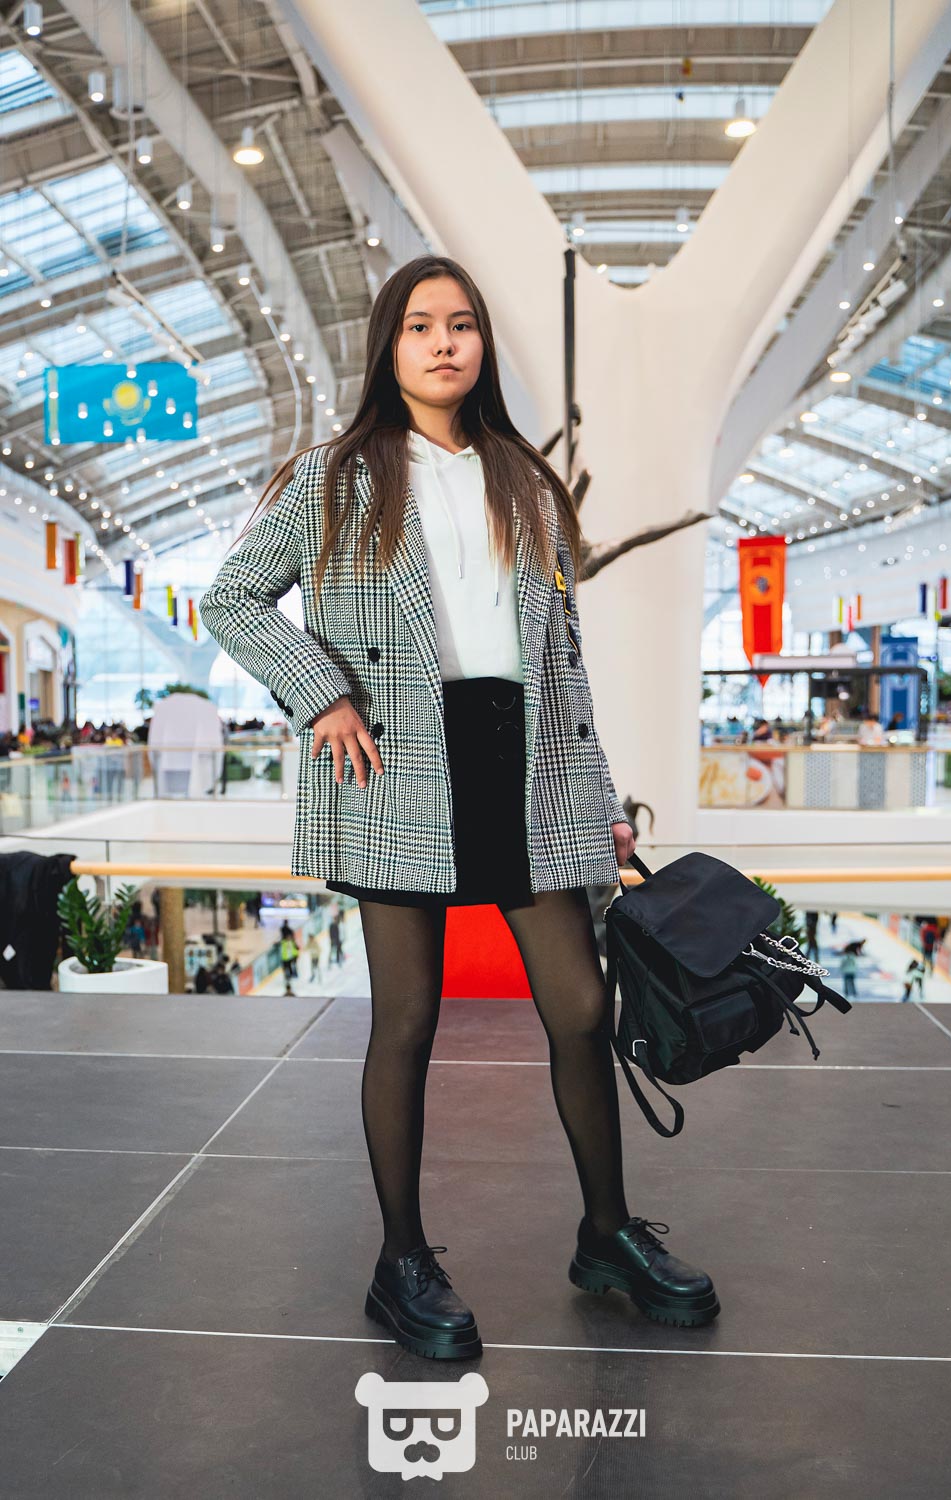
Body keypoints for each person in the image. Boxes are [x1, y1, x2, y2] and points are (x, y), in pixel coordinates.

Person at [199, 254, 719, 1363]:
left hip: (527, 762)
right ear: (389, 347)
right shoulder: (335, 477)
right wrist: (322, 693)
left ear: (483, 346)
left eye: (463, 325)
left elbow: (563, 661)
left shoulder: (524, 480)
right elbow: (233, 598)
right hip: (397, 765)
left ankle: (607, 1234)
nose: (445, 343)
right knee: (407, 1021)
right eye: (421, 325)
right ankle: (401, 1261)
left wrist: (599, 799)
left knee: (580, 1006)